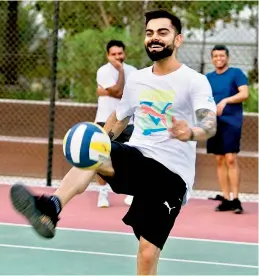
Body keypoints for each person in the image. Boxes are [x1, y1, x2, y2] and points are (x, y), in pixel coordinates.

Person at [10, 9, 217, 275]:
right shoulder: (138, 79)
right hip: (140, 157)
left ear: (178, 40)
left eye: (163, 33)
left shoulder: (194, 80)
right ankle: (52, 207)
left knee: (146, 255)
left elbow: (209, 124)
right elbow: (119, 119)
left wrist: (190, 132)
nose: (155, 38)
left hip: (172, 176)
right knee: (92, 151)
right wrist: (100, 139)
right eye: (150, 33)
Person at [206, 45, 249, 214]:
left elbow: (244, 94)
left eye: (222, 56)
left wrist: (225, 101)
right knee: (219, 160)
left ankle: (236, 199)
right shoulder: (207, 78)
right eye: (215, 56)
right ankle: (225, 198)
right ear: (212, 59)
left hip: (231, 122)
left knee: (231, 158)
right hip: (214, 123)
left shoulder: (236, 73)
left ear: (227, 58)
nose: (218, 58)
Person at [95, 39, 137, 207]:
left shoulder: (133, 71)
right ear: (108, 55)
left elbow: (122, 94)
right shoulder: (103, 71)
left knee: (133, 159)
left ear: (124, 54)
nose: (117, 57)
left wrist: (105, 91)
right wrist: (120, 72)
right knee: (100, 157)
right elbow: (120, 92)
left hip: (128, 121)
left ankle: (132, 192)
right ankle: (103, 194)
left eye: (120, 53)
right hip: (105, 120)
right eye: (113, 54)